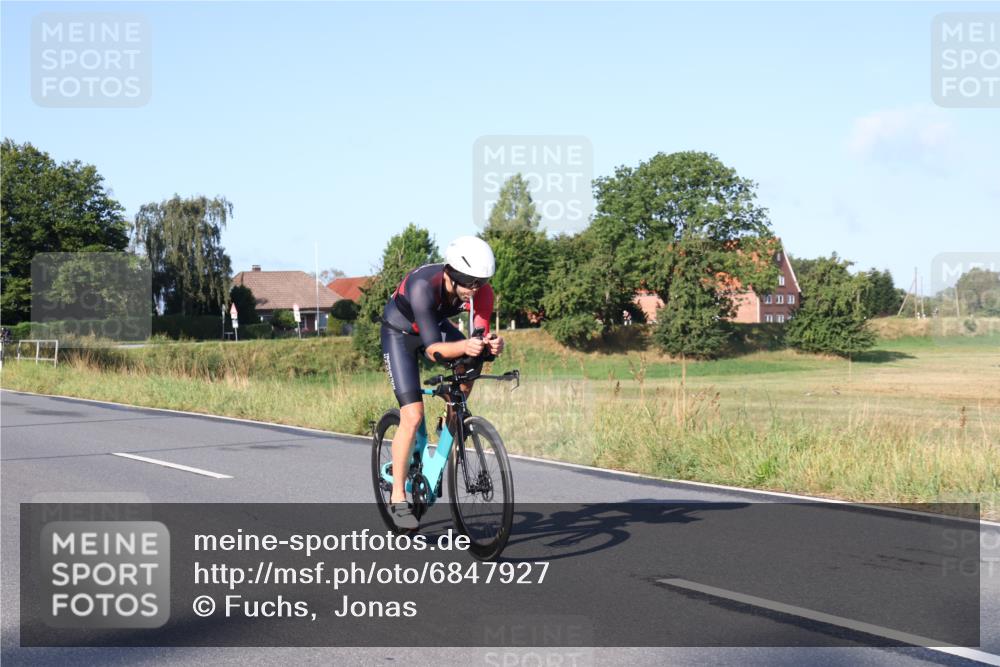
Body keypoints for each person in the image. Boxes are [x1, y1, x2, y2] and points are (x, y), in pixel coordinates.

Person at [380, 236, 505, 529]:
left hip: (433, 328)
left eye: (481, 283)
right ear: (452, 274)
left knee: (473, 361)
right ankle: (398, 497)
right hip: (399, 334)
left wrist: (492, 346)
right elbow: (434, 350)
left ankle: (452, 416)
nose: (475, 291)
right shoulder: (424, 286)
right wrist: (465, 347)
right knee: (412, 416)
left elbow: (478, 336)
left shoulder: (482, 292)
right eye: (470, 284)